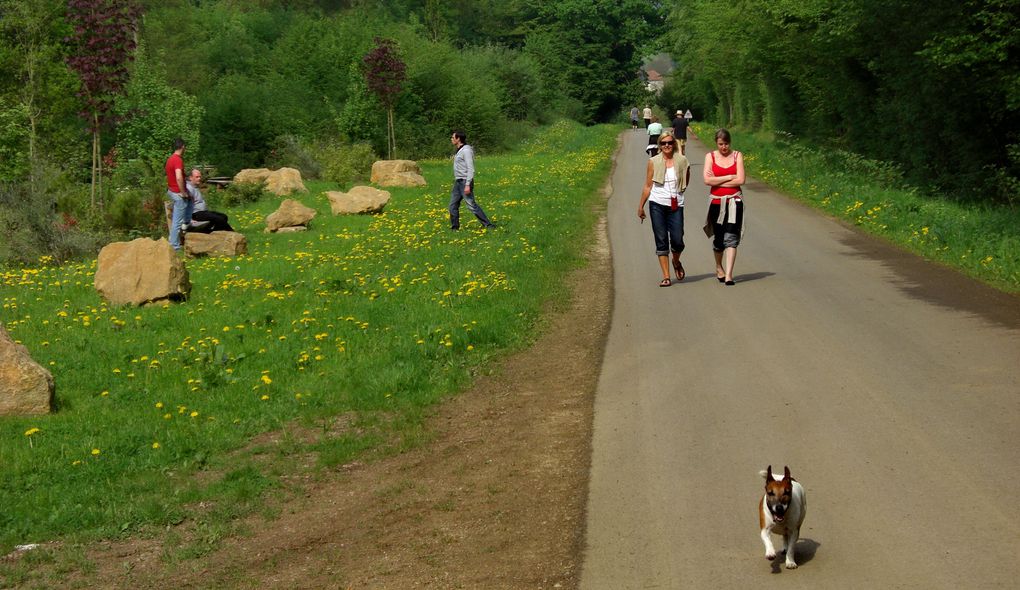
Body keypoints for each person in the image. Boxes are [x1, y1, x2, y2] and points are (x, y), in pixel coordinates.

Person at [637, 133, 691, 287]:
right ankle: (666, 276)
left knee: (678, 239)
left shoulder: (682, 160)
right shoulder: (653, 161)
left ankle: (676, 260)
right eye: (663, 143)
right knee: (661, 240)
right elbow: (648, 185)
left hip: (676, 204)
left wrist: (680, 191)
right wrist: (641, 205)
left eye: (669, 142)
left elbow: (687, 178)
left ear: (674, 143)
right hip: (657, 204)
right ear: (659, 145)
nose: (666, 146)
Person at [703, 128, 745, 285]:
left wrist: (718, 179)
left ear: (730, 143)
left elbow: (741, 180)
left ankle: (729, 275)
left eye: (726, 144)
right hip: (716, 203)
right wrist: (728, 177)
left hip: (734, 202)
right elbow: (707, 180)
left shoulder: (737, 156)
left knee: (731, 238)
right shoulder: (710, 157)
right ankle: (719, 266)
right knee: (719, 239)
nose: (724, 147)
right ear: (716, 143)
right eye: (721, 144)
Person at [449, 130, 495, 230]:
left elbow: (471, 168)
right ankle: (454, 228)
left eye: (453, 138)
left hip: (465, 182)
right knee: (452, 205)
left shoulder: (466, 150)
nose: (451, 139)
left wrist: (467, 184)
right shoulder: (459, 150)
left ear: (458, 139)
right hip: (458, 182)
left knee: (471, 205)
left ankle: (488, 225)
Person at [164, 138, 192, 251]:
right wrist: (183, 192)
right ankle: (174, 246)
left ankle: (186, 227)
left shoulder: (170, 159)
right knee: (177, 221)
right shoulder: (177, 160)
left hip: (171, 190)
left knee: (189, 204)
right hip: (177, 193)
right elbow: (179, 177)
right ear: (183, 147)